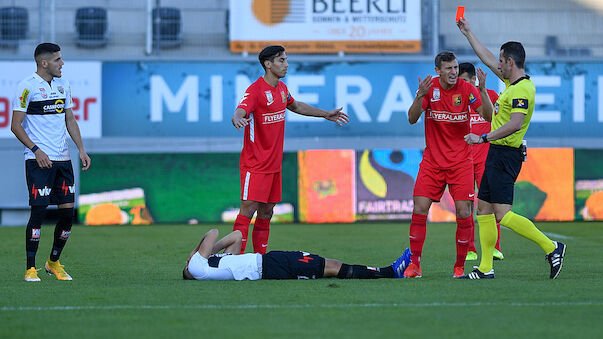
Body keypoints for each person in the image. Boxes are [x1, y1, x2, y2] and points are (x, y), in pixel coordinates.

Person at [456, 17, 565, 279]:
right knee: (482, 209)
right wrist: (469, 33)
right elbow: (487, 59)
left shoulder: (522, 90)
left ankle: (552, 247)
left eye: (502, 61)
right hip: (497, 153)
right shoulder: (511, 83)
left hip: (506, 155)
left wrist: (483, 138)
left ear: (511, 63)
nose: (498, 64)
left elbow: (516, 124)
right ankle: (485, 268)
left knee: (502, 215)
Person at [231, 45, 349, 255]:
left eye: (286, 60)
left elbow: (296, 106)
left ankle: (260, 259)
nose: (286, 64)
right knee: (248, 210)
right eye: (281, 60)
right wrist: (238, 118)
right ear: (268, 64)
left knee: (267, 212)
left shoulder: (282, 89)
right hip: (255, 164)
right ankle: (235, 258)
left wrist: (324, 114)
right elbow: (241, 109)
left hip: (274, 164)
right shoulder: (255, 90)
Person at [405, 51, 493, 278]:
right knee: (419, 208)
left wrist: (482, 91)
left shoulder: (466, 89)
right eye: (449, 69)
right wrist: (419, 97)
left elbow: (488, 116)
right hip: (432, 161)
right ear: (438, 71)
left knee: (464, 212)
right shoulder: (430, 88)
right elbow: (412, 118)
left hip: (461, 162)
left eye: (455, 67)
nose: (454, 72)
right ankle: (415, 265)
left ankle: (459, 267)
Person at [11, 43, 91, 282]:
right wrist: (36, 151)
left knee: (67, 215)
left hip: (63, 160)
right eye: (58, 60)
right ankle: (30, 268)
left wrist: (81, 149)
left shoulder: (63, 85)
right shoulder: (27, 87)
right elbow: (15, 125)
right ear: (44, 63)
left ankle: (53, 262)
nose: (62, 63)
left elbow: (70, 119)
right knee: (38, 212)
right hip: (39, 162)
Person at [183, 229, 411, 281]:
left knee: (328, 265)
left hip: (270, 261)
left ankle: (387, 271)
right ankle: (389, 272)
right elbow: (212, 233)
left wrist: (212, 254)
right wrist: (196, 251)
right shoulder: (197, 266)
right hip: (270, 266)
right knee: (330, 266)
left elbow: (236, 236)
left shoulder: (211, 266)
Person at [457, 62, 504, 262]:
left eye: (466, 81)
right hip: (464, 159)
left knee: (491, 204)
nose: (463, 85)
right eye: (460, 81)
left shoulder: (491, 95)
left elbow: (503, 120)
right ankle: (469, 249)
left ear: (474, 80)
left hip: (486, 157)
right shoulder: (456, 99)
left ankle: (494, 247)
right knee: (465, 205)